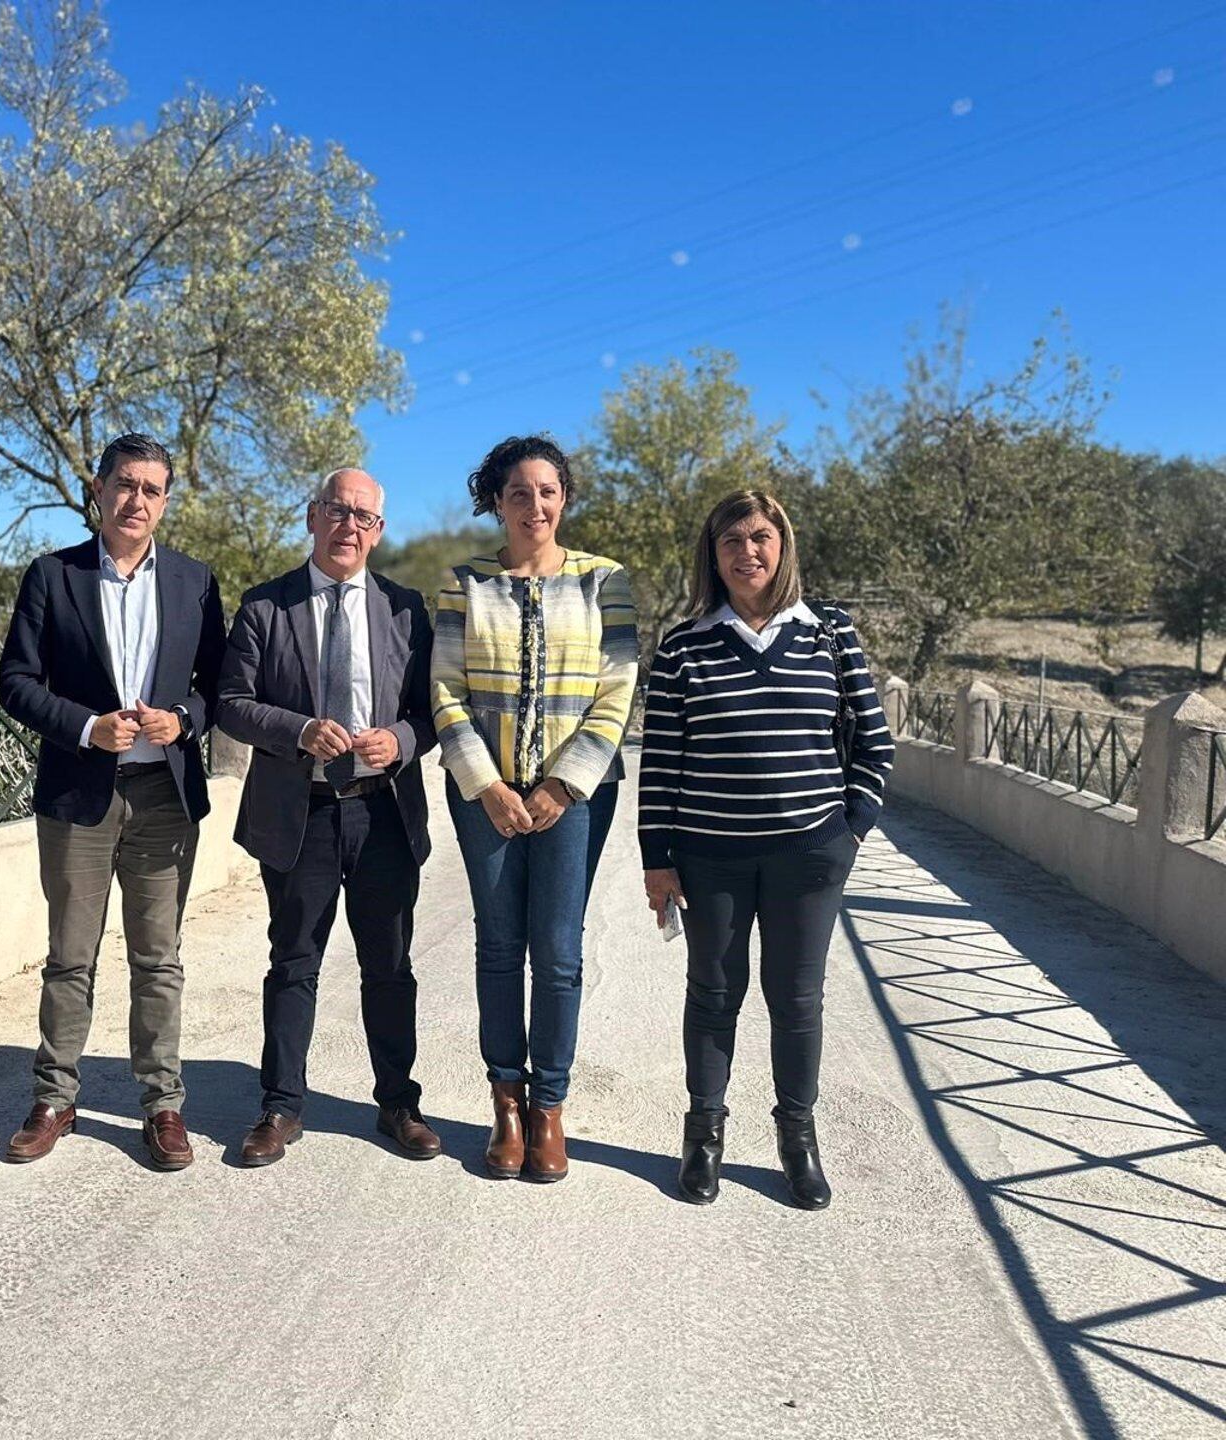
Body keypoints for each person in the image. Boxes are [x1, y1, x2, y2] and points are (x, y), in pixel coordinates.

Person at [638, 489, 894, 1210]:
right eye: (730, 541)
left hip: (808, 860)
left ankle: (797, 1141)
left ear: (781, 543)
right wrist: (657, 860)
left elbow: (874, 746)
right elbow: (661, 767)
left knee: (797, 1001)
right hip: (710, 859)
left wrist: (849, 832)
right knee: (715, 997)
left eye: (760, 537)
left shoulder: (831, 633)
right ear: (712, 556)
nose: (746, 552)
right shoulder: (685, 647)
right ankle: (704, 1135)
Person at [0, 434, 225, 1172]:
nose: (137, 501)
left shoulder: (194, 581)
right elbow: (15, 682)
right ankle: (54, 1098)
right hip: (78, 793)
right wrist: (86, 727)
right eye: (125, 484)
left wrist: (183, 720)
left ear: (165, 501)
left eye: (153, 489)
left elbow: (220, 686)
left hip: (164, 795)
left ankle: (162, 1106)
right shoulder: (52, 577)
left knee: (159, 960)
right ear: (97, 489)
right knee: (70, 958)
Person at [217, 469, 440, 1167]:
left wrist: (399, 742)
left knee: (390, 967)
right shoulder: (265, 607)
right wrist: (297, 731)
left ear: (378, 532)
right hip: (300, 815)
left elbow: (431, 714)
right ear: (313, 517)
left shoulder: (407, 610)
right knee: (293, 965)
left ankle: (398, 1103)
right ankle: (280, 1108)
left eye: (365, 517)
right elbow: (230, 702)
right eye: (338, 511)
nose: (350, 525)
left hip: (382, 814)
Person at [432, 436, 638, 1183]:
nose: (535, 506)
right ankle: (505, 1102)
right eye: (519, 493)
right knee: (497, 946)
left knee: (556, 953)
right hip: (485, 793)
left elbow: (618, 690)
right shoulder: (463, 586)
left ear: (565, 499)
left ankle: (549, 1107)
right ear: (496, 501)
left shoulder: (604, 582)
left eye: (548, 492)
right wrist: (487, 784)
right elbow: (445, 689)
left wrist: (561, 785)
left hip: (575, 797)